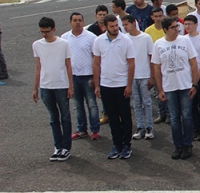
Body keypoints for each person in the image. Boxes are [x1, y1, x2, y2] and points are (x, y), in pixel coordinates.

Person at [152, 17, 199, 160]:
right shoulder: (159, 44)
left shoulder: (185, 41)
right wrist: (160, 89)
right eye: (173, 27)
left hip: (185, 85)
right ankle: (178, 145)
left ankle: (187, 144)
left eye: (177, 26)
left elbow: (193, 63)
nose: (177, 29)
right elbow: (157, 68)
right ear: (165, 29)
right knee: (174, 118)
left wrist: (195, 84)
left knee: (187, 117)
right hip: (169, 87)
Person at [92, 15, 135, 160]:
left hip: (121, 85)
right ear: (105, 27)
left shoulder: (126, 40)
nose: (115, 28)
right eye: (112, 26)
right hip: (106, 85)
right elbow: (97, 64)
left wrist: (129, 85)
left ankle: (126, 145)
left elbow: (131, 64)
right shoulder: (99, 41)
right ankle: (117, 145)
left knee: (125, 116)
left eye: (117, 25)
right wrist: (97, 85)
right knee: (112, 117)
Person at [33, 17, 74, 161]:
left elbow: (68, 65)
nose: (45, 34)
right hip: (46, 86)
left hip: (61, 86)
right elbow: (38, 67)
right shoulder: (37, 45)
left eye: (47, 31)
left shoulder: (63, 44)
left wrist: (70, 85)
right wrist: (35, 88)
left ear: (54, 29)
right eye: (42, 32)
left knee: (65, 117)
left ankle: (66, 147)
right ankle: (57, 146)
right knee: (53, 118)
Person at [61, 13, 100, 141]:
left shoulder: (91, 37)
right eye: (74, 20)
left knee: (92, 105)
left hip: (88, 76)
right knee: (77, 105)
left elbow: (96, 59)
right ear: (70, 22)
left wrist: (96, 78)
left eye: (79, 20)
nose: (77, 22)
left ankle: (95, 130)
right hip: (73, 77)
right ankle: (81, 130)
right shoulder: (65, 38)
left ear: (83, 22)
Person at [122, 15, 154, 142]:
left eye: (126, 24)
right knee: (136, 103)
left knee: (147, 101)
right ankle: (140, 126)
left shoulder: (145, 37)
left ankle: (149, 127)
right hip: (132, 76)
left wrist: (152, 76)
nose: (125, 27)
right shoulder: (125, 39)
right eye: (123, 25)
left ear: (133, 23)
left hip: (144, 74)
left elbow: (151, 57)